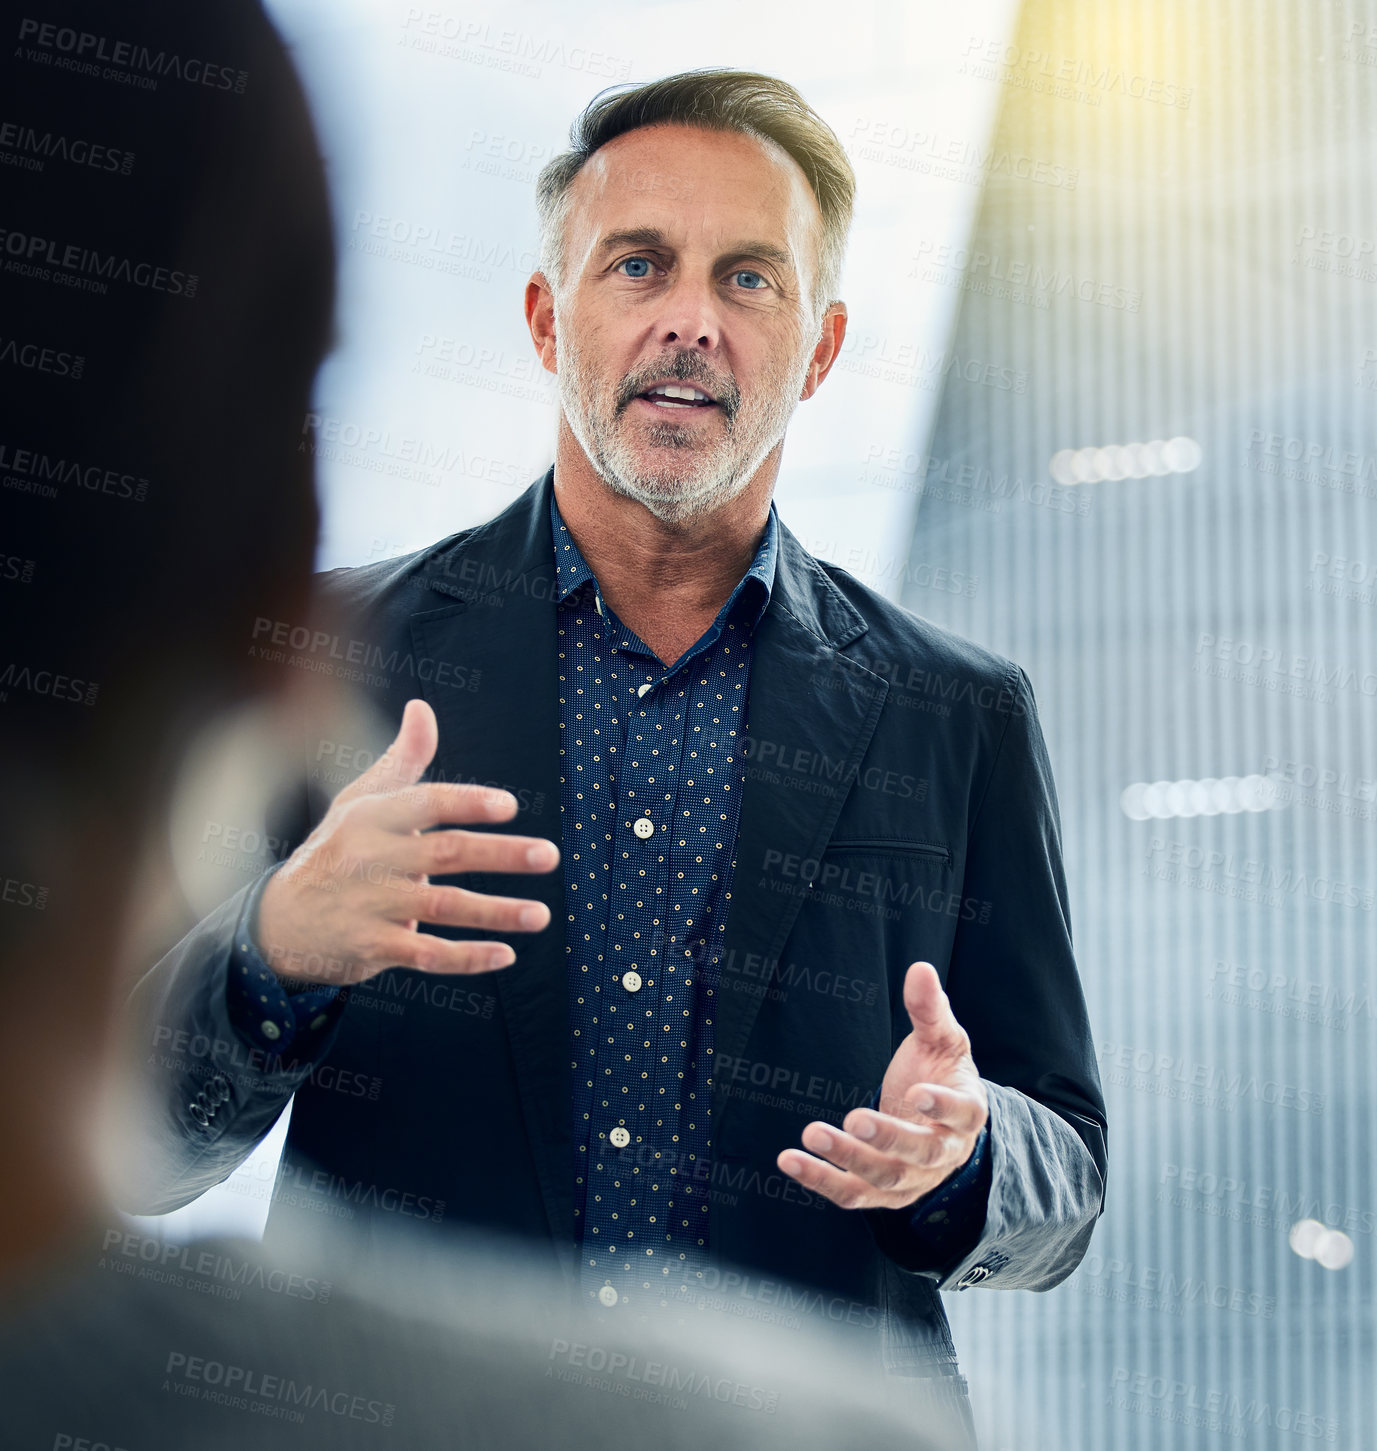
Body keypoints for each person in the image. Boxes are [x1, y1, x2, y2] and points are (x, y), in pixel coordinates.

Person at [0, 11, 955, 1447]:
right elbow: (129, 1150)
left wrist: (976, 1158)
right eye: (636, 264)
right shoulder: (331, 651)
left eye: (745, 277)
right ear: (543, 317)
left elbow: (1060, 1163)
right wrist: (271, 949)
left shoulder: (955, 710)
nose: (688, 317)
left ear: (815, 348)